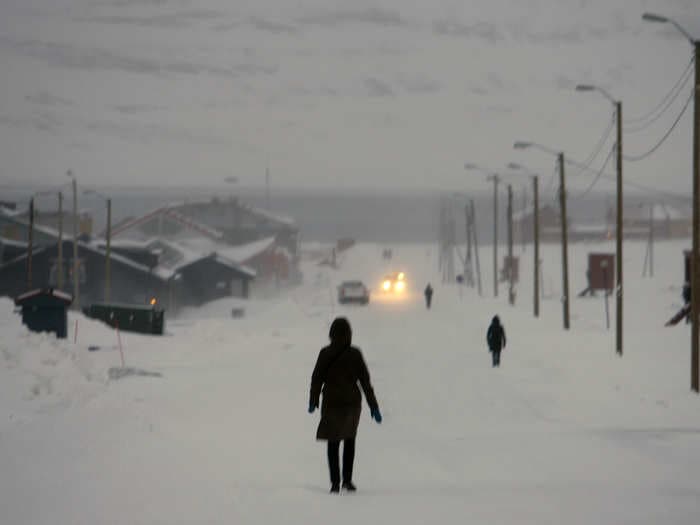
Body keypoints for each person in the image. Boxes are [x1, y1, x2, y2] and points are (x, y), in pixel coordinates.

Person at [309, 317, 381, 493]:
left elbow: (316, 378)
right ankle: (347, 481)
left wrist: (313, 400)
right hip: (351, 404)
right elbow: (365, 382)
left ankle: (335, 483)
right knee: (349, 439)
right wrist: (373, 406)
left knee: (333, 443)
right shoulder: (355, 354)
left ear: (331, 334)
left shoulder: (325, 353)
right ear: (349, 334)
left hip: (331, 403)